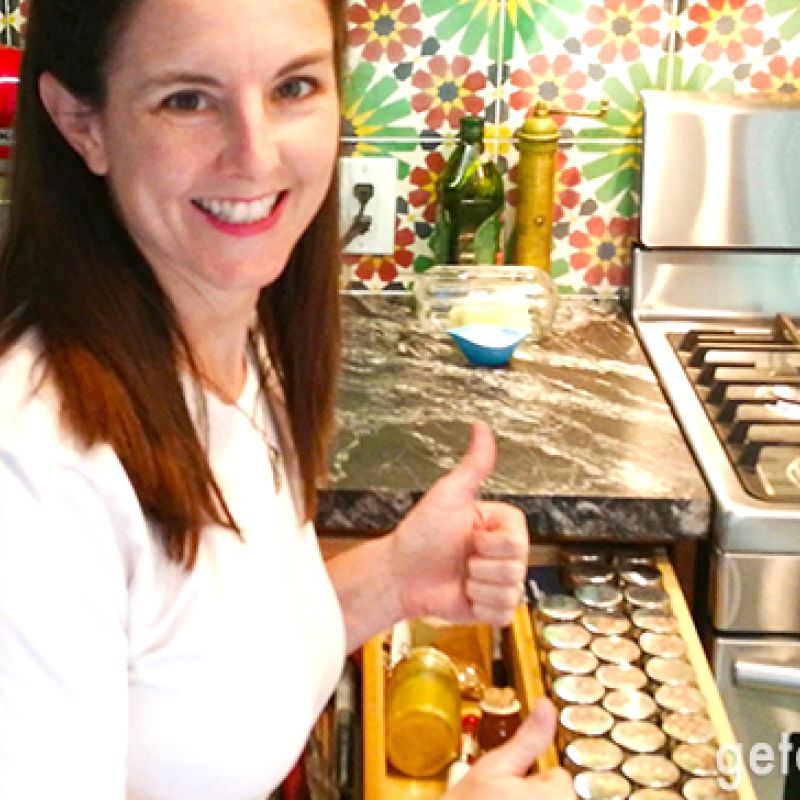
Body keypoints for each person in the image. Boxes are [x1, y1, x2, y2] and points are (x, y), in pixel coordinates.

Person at [0, 0, 574, 798]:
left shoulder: (235, 331)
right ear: (80, 122)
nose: (256, 154)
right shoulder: (33, 478)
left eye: (293, 87)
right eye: (188, 99)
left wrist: (393, 579)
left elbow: (201, 674)